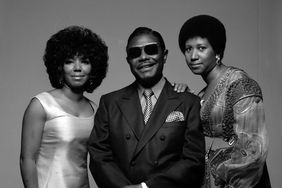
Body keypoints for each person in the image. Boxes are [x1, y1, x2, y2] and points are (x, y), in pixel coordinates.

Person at [87, 27, 205, 188]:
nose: (143, 57)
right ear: (128, 60)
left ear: (164, 55)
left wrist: (145, 187)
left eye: (151, 50)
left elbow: (193, 161)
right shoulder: (110, 102)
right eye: (135, 53)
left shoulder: (188, 102)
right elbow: (99, 156)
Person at [177, 15, 271, 188]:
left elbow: (253, 150)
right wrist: (185, 98)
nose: (193, 56)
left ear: (217, 51)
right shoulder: (201, 94)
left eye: (201, 48)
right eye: (188, 49)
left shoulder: (239, 84)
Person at [19, 26, 108, 188]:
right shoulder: (41, 105)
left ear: (94, 67)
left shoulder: (96, 110)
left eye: (85, 61)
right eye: (69, 61)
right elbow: (27, 159)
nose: (77, 68)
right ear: (59, 66)